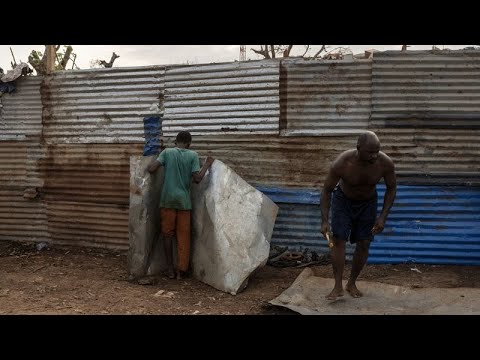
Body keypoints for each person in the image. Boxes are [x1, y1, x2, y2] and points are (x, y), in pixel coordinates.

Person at [320, 131, 396, 300]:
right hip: (343, 201)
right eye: (370, 152)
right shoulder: (342, 163)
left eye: (377, 151)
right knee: (338, 240)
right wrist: (324, 220)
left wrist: (383, 216)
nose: (374, 155)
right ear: (358, 148)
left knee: (364, 243)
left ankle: (351, 283)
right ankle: (338, 286)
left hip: (368, 203)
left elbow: (391, 188)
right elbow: (326, 190)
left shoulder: (385, 163)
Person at [146, 131, 214, 280]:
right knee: (183, 236)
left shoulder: (167, 152)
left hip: (167, 200)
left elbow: (151, 169)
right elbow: (197, 179)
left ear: (176, 142)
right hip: (184, 202)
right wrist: (207, 165)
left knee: (167, 235)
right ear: (189, 144)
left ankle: (169, 269)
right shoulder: (193, 155)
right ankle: (181, 271)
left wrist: (153, 160)